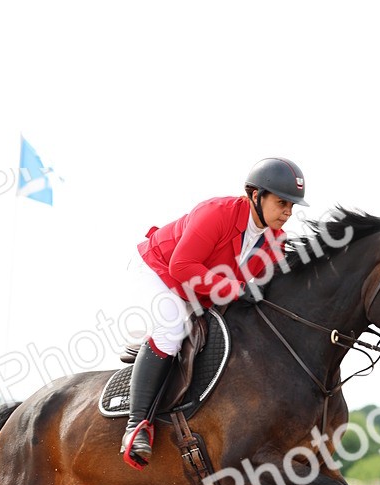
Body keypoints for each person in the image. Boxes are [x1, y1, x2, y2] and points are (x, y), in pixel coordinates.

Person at [120, 157, 309, 467]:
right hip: (158, 270)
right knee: (173, 329)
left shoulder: (276, 241)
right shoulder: (217, 214)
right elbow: (181, 267)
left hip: (199, 288)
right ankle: (136, 427)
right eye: (282, 203)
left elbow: (266, 292)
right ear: (255, 195)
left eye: (292, 206)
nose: (288, 212)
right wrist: (237, 290)